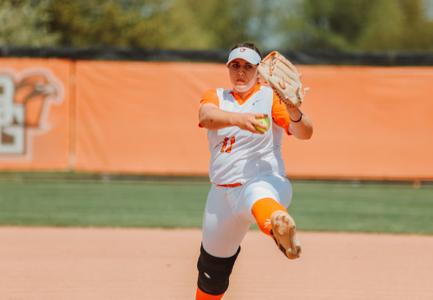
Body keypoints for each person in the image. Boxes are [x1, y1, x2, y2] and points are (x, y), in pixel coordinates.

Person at [195, 42, 313, 300]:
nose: (240, 72)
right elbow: (206, 116)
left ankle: (279, 226)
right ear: (228, 69)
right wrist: (240, 119)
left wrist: (294, 111)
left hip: (264, 182)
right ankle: (275, 225)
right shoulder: (216, 96)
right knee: (212, 273)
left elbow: (306, 132)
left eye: (248, 67)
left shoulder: (270, 98)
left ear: (259, 71)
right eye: (235, 66)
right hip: (221, 196)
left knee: (257, 197)